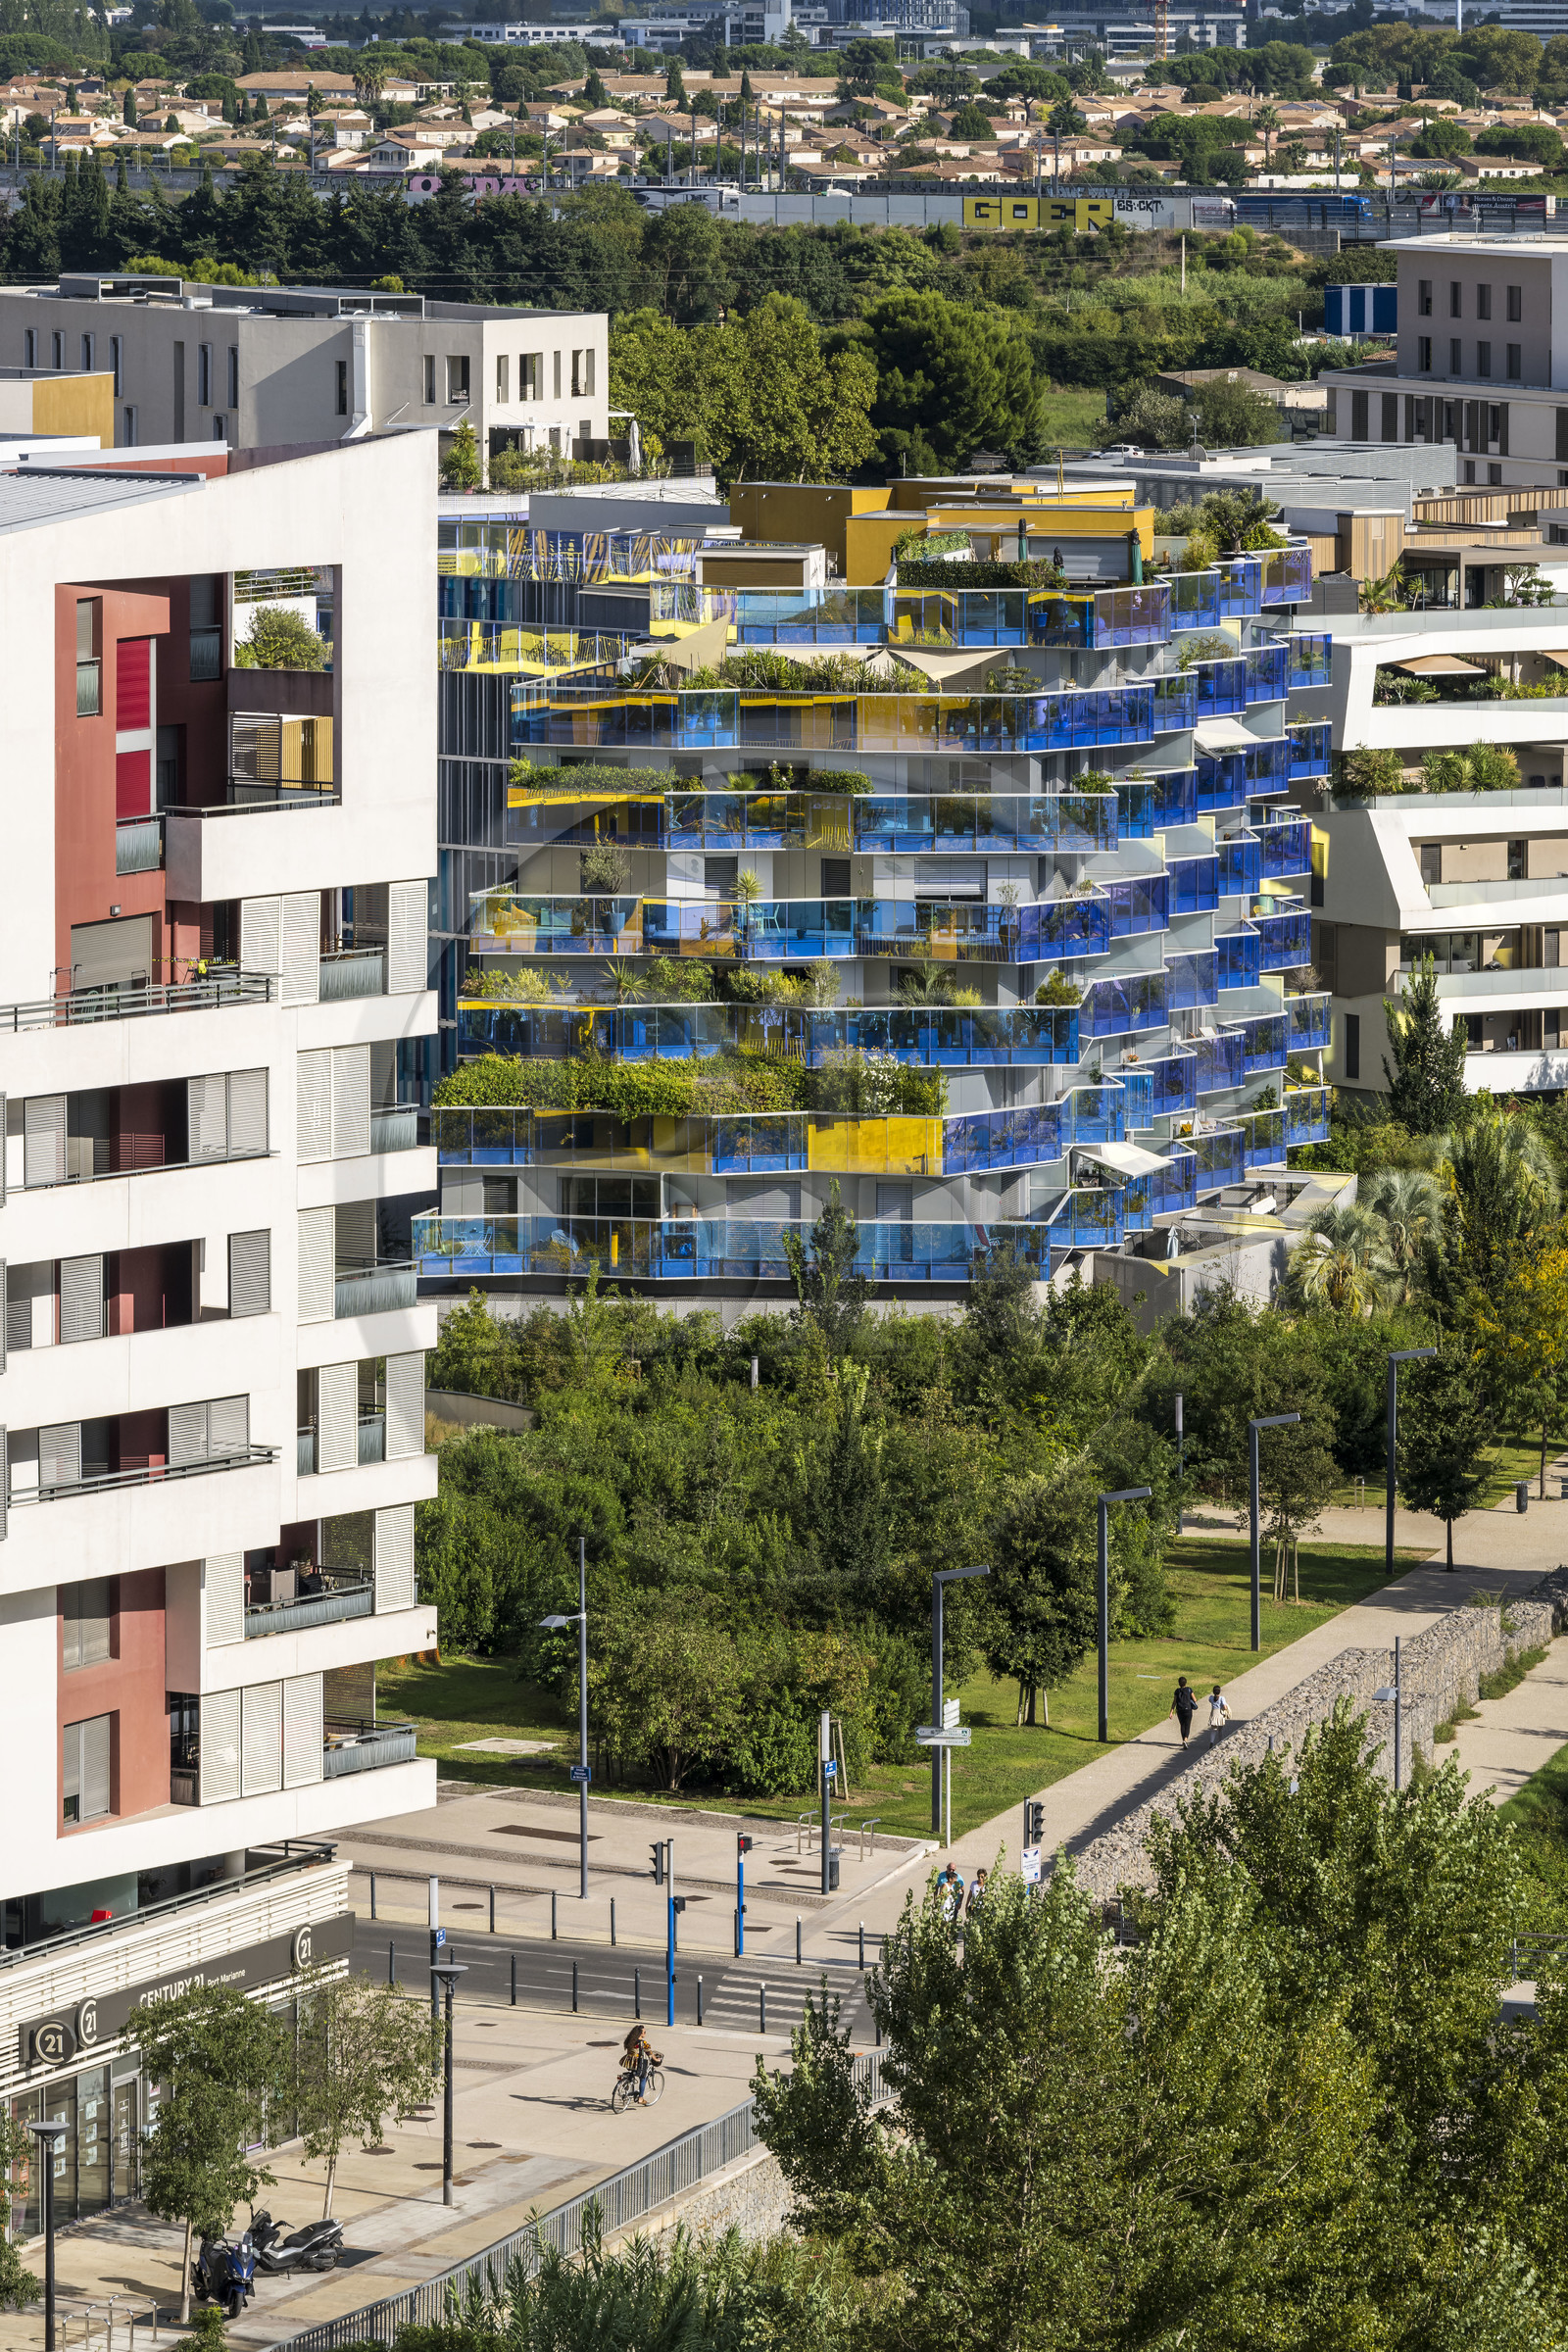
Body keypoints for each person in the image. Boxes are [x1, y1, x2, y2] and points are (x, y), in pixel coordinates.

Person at [621, 2022, 654, 2100]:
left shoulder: (630, 2040)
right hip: (637, 2063)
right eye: (644, 2032)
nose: (645, 2033)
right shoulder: (642, 2043)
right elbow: (649, 2052)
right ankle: (641, 2098)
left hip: (629, 2062)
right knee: (643, 2077)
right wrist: (656, 2059)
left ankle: (627, 2083)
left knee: (632, 2073)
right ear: (640, 2034)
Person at [1169, 1676, 1197, 1748]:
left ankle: (1183, 1740)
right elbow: (1195, 1699)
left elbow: (1174, 1702)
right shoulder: (1189, 1689)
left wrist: (1171, 1712)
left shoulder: (1177, 1691)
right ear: (1186, 1683)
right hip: (1188, 1709)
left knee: (1182, 1725)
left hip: (1179, 1710)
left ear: (1179, 1683)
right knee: (1187, 1725)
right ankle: (1185, 1740)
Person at [938, 1861, 965, 1930]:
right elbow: (940, 1895)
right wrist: (948, 1893)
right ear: (950, 1879)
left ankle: (950, 1936)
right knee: (944, 1924)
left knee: (952, 1923)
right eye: (955, 1879)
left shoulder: (952, 1886)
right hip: (945, 1908)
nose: (956, 1880)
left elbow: (962, 1890)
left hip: (952, 1908)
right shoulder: (945, 1885)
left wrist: (959, 1901)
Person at [1208, 1684, 1230, 1748]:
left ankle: (1211, 1742)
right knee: (1220, 1729)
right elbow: (1225, 1707)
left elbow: (1211, 1700)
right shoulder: (1222, 1698)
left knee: (1213, 1729)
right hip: (1220, 1714)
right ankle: (1220, 1742)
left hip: (1214, 1713)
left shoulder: (1211, 1698)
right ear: (1220, 1691)